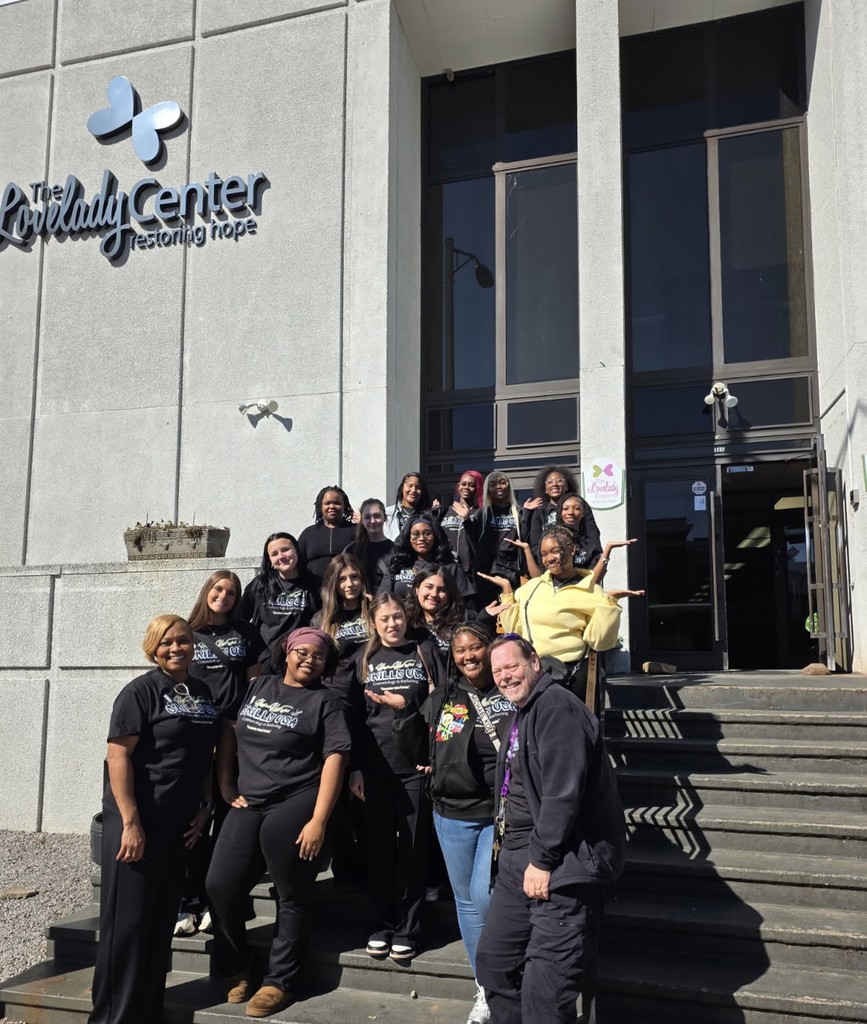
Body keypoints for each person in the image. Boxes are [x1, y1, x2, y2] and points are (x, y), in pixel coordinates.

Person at [475, 634, 625, 1024]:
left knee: (546, 992)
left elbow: (563, 794)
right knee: (495, 965)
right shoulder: (522, 711)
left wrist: (542, 860)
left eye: (512, 666)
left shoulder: (557, 708)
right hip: (516, 862)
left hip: (560, 866)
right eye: (498, 670)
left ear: (535, 663)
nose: (505, 676)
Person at [206, 628, 350, 1019]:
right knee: (219, 884)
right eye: (302, 652)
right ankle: (236, 966)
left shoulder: (326, 702)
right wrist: (225, 781)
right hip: (249, 799)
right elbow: (229, 729)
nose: (309, 660)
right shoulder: (257, 687)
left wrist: (319, 819)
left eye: (318, 656)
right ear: (286, 653)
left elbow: (336, 757)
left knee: (291, 891)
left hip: (296, 798)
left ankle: (280, 981)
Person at [88, 615, 219, 1024]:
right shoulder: (139, 692)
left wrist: (205, 806)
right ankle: (113, 1016)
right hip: (138, 821)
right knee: (127, 925)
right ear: (153, 647)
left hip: (179, 822)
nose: (176, 648)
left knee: (160, 921)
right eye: (166, 642)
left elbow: (204, 756)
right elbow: (118, 755)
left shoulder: (200, 692)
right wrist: (129, 821)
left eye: (183, 640)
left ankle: (146, 1009)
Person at [426, 623, 516, 1024]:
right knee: (464, 899)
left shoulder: (509, 688)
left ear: (489, 648)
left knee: (484, 896)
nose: (467, 656)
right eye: (460, 650)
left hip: (499, 810)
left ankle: (507, 975)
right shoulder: (445, 696)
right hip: (450, 811)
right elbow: (421, 739)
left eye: (475, 648)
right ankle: (486, 987)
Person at [348, 593, 444, 962]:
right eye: (385, 618)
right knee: (378, 851)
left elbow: (441, 702)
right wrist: (355, 766)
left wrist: (432, 751)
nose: (393, 624)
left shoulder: (425, 650)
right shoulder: (364, 659)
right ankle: (381, 924)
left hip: (416, 767)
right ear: (374, 622)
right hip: (374, 768)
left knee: (414, 851)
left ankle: (408, 927)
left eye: (398, 617)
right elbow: (354, 718)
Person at [174, 571, 266, 936]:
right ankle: (186, 902)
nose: (224, 596)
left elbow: (256, 682)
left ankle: (221, 902)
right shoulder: (187, 633)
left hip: (235, 735)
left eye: (231, 592)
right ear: (207, 591)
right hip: (195, 734)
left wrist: (243, 724)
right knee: (191, 825)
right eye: (218, 589)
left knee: (228, 824)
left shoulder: (246, 633)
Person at [480, 526, 629, 710]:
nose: (549, 558)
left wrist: (610, 603)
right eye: (543, 554)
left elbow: (600, 642)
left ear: (572, 549)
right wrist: (507, 593)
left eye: (556, 551)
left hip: (571, 678)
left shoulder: (592, 592)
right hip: (532, 675)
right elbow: (514, 631)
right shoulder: (530, 589)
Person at [239, 533, 317, 670]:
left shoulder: (316, 585)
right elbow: (240, 619)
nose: (281, 556)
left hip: (300, 661)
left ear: (297, 551)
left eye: (286, 549)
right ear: (270, 561)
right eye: (274, 554)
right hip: (264, 661)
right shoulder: (259, 585)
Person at [378, 513, 476, 607]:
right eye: (415, 534)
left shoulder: (451, 567)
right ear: (408, 537)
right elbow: (381, 601)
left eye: (427, 533)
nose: (421, 539)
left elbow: (467, 605)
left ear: (436, 536)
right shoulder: (398, 565)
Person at [467, 472, 525, 609]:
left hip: (513, 571)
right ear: (487, 489)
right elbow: (473, 541)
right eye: (492, 484)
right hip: (488, 571)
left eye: (502, 482)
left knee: (511, 611)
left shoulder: (519, 512)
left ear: (509, 486)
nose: (498, 486)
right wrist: (466, 520)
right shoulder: (482, 514)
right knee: (490, 613)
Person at [521, 466, 600, 561]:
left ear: (567, 486)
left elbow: (592, 536)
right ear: (545, 488)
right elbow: (534, 543)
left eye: (559, 481)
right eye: (550, 482)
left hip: (580, 564)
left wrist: (587, 560)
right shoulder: (539, 511)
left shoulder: (580, 505)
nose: (554, 484)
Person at [297, 486, 358, 591]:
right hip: (314, 592)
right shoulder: (308, 534)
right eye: (327, 503)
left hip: (347, 592)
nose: (332, 506)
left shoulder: (356, 531)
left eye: (337, 503)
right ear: (320, 506)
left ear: (344, 506)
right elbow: (298, 565)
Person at [404, 565, 472, 653]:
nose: (434, 594)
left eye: (442, 590)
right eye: (429, 587)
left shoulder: (461, 621)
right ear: (417, 589)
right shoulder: (404, 621)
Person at [343, 497, 394, 592]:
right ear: (361, 520)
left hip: (386, 603)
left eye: (377, 516)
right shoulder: (351, 550)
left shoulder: (396, 550)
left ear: (385, 518)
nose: (373, 521)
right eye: (367, 517)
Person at [440, 470, 484, 574]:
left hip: (469, 572)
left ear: (477, 488)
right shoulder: (446, 511)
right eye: (463, 484)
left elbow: (480, 543)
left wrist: (467, 519)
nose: (466, 488)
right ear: (458, 486)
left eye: (471, 485)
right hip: (447, 568)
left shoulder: (480, 513)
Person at [384, 471, 439, 540]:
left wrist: (434, 516)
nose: (413, 490)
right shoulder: (388, 513)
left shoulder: (426, 515)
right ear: (402, 488)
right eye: (410, 486)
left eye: (418, 487)